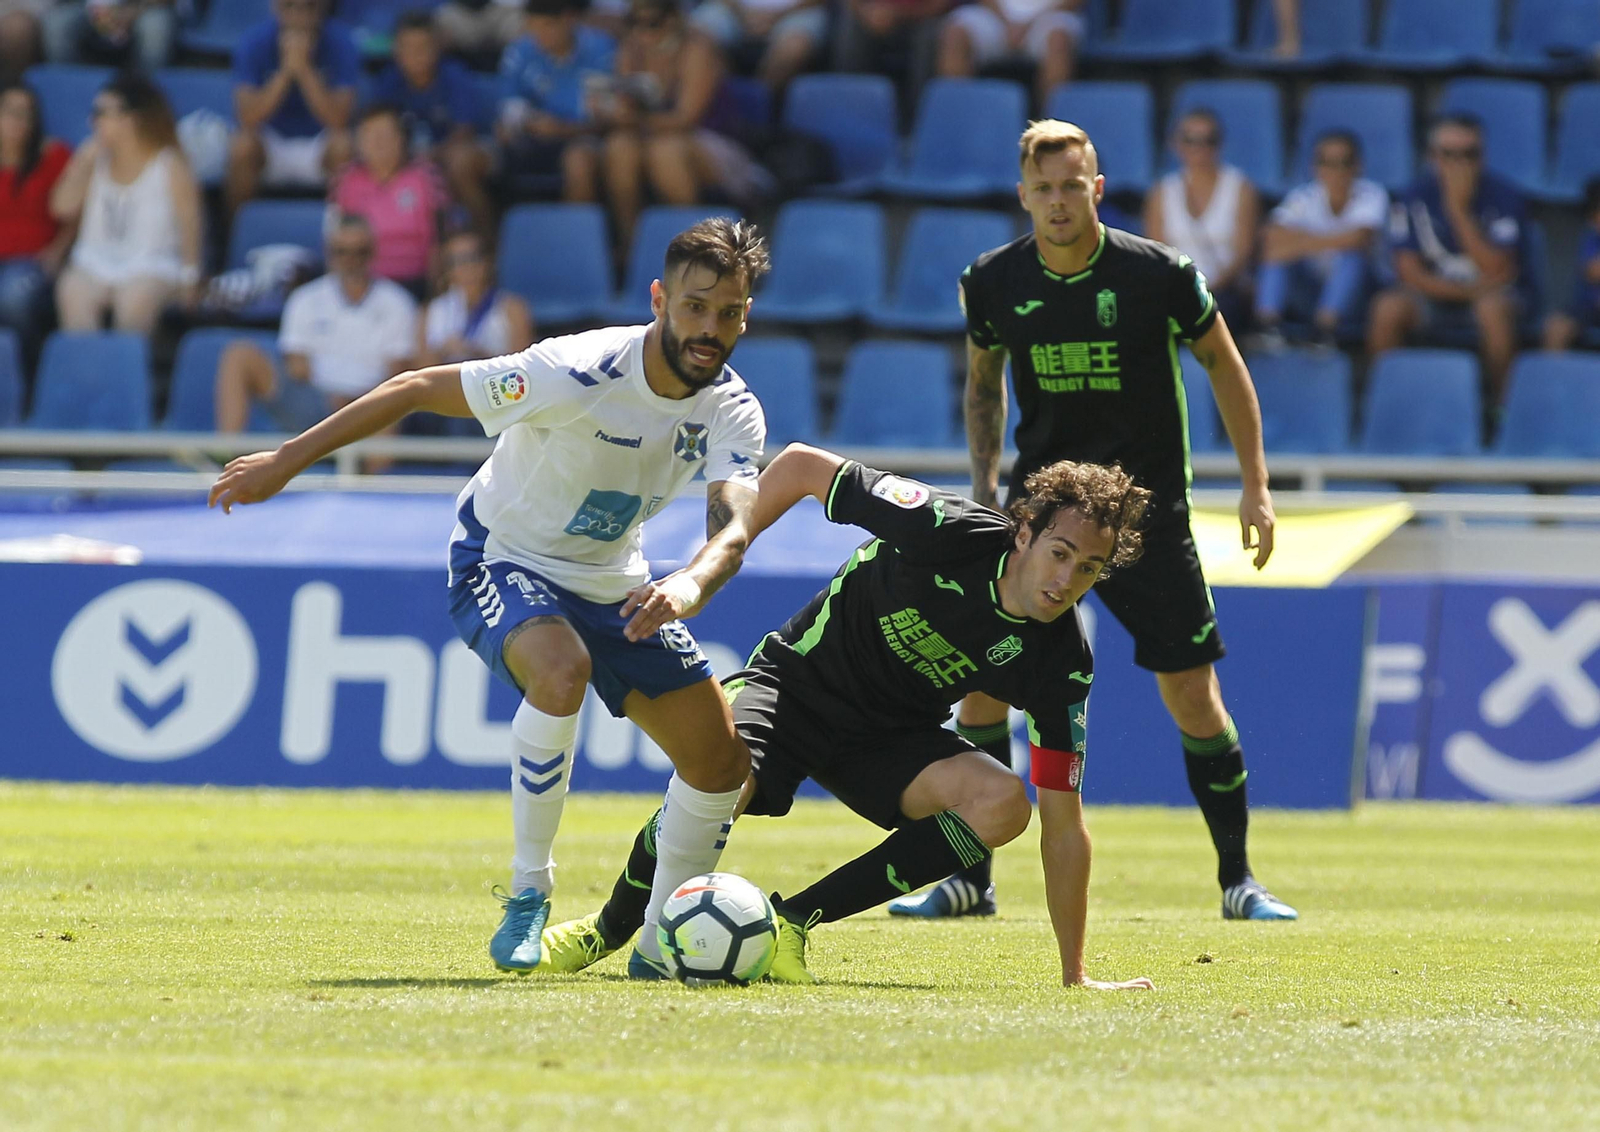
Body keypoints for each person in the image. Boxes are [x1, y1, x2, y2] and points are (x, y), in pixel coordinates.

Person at [208, 219, 772, 979]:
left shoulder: (733, 409)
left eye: (729, 312)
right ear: (660, 300)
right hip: (504, 556)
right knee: (560, 670)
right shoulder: (575, 369)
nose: (711, 329)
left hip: (615, 581)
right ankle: (528, 890)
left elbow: (733, 525)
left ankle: (657, 949)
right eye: (697, 307)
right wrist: (286, 460)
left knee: (720, 762)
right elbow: (413, 389)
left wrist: (691, 582)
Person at [536, 445, 1157, 988]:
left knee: (1003, 805)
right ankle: (609, 928)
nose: (1066, 579)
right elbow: (803, 465)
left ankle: (790, 925)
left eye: (1089, 569)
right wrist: (714, 561)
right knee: (717, 777)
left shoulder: (1062, 661)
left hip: (888, 738)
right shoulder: (944, 527)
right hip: (794, 688)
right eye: (1060, 552)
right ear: (1024, 533)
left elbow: (1063, 824)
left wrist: (1075, 973)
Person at [906, 119, 1296, 924]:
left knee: (1191, 694)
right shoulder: (991, 281)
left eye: (1071, 186)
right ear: (1024, 195)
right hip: (1040, 518)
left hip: (1146, 517)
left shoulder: (1159, 275)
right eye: (1042, 189)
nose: (1057, 202)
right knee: (983, 686)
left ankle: (1239, 879)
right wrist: (984, 488)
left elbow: (1225, 364)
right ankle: (968, 880)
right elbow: (984, 386)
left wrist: (1256, 484)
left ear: (1097, 188)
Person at [1367, 113, 1526, 407]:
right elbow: (1408, 272)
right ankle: (1387, 405)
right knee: (1387, 309)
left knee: (1492, 310)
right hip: (1436, 296)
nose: (1460, 163)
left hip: (1491, 298)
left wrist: (1458, 211)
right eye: (1449, 155)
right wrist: (1468, 291)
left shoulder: (1505, 195)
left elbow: (1498, 267)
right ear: (1433, 157)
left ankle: (1503, 409)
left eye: (1470, 154)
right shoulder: (1412, 196)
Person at [213, 216, 417, 434]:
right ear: (329, 253)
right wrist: (334, 398)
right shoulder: (305, 299)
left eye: (360, 252)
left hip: (371, 404)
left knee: (392, 407)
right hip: (316, 400)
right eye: (342, 252)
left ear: (372, 253)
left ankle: (372, 469)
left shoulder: (398, 302)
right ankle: (227, 457)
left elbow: (397, 370)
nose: (351, 260)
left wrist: (357, 400)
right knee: (239, 356)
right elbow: (297, 365)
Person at [599, 0, 771, 254]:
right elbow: (626, 106)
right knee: (619, 146)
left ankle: (690, 251)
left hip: (712, 144)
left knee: (665, 151)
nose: (641, 31)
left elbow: (686, 118)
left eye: (652, 23)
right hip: (649, 138)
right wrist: (610, 110)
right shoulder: (631, 50)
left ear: (673, 20)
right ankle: (633, 247)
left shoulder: (698, 48)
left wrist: (632, 120)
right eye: (634, 23)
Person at [49, 72, 201, 335]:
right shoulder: (92, 159)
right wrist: (81, 166)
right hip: (93, 264)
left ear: (131, 119)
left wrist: (191, 278)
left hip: (152, 265)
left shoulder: (168, 165)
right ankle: (88, 372)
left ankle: (124, 372)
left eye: (101, 113)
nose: (93, 121)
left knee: (134, 301)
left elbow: (190, 223)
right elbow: (61, 209)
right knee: (72, 293)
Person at [1255, 129, 1388, 348]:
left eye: (1343, 162)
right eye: (1326, 162)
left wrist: (1298, 242)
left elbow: (1360, 238)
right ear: (1315, 167)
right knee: (1275, 259)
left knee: (1352, 256)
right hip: (1310, 291)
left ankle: (1325, 331)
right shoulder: (1304, 197)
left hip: (1361, 297)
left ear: (1358, 166)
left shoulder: (1373, 194)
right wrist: (1336, 238)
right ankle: (1267, 326)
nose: (1334, 171)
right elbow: (1271, 241)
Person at [228, 0, 360, 217]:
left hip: (319, 142)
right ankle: (235, 234)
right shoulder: (253, 41)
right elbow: (248, 117)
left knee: (343, 146)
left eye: (308, 6)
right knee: (241, 146)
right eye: (289, 6)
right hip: (271, 141)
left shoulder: (342, 42)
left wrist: (305, 70)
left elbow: (339, 119)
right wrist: (286, 72)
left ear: (321, 8)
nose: (299, 16)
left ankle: (343, 236)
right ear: (275, 6)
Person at [372, 10, 496, 237]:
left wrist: (429, 157)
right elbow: (375, 129)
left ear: (437, 47)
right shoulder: (388, 82)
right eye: (408, 47)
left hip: (460, 150)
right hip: (406, 157)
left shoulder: (455, 75)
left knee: (460, 162)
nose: (416, 54)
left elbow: (465, 131)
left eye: (423, 47)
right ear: (396, 50)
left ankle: (483, 242)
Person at [1144, 108, 1260, 334]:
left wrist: (1208, 289)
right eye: (1190, 140)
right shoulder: (1161, 192)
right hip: (1175, 289)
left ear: (1220, 144)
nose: (1199, 147)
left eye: (1208, 140)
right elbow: (1156, 253)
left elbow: (1243, 253)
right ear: (1176, 144)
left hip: (1225, 291)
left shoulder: (1241, 189)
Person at [496, 0, 614, 206]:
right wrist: (528, 123)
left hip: (584, 136)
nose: (539, 35)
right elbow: (509, 105)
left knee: (579, 160)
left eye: (547, 26)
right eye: (533, 26)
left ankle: (574, 234)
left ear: (568, 19)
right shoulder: (520, 51)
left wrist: (563, 129)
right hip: (534, 138)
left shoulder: (600, 49)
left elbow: (605, 119)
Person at [330, 103, 452, 295]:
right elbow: (335, 238)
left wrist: (434, 294)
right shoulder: (347, 179)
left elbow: (441, 240)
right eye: (369, 135)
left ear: (401, 139)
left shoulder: (425, 176)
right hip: (362, 286)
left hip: (415, 285)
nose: (378, 142)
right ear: (359, 143)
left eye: (385, 134)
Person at [0, 81, 71, 369]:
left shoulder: (55, 157)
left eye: (25, 113)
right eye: (9, 111)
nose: (17, 121)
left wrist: (58, 250)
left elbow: (74, 215)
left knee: (14, 296)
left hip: (33, 263)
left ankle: (28, 375)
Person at [415, 228, 534, 368]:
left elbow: (523, 369)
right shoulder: (430, 311)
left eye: (473, 258)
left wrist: (478, 355)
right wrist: (442, 352)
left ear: (488, 262)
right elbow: (421, 370)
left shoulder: (513, 309)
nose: (467, 267)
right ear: (447, 270)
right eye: (457, 261)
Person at [936, 0, 1086, 106]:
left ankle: (1052, 127)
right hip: (995, 16)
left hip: (1051, 16)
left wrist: (1028, 24)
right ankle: (960, 116)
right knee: (955, 34)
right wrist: (1006, 22)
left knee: (1059, 40)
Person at [833, 0, 948, 100]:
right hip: (873, 19)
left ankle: (919, 113)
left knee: (929, 38)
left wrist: (895, 15)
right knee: (851, 30)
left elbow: (939, 5)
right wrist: (866, 14)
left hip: (921, 20)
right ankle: (852, 105)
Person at [1543, 177, 1600, 352]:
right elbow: (1593, 271)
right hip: (1589, 308)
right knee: (1556, 327)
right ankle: (1552, 377)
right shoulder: (1591, 239)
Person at [42, 0, 175, 70]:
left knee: (156, 26)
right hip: (88, 8)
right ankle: (70, 86)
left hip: (142, 8)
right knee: (57, 24)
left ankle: (145, 91)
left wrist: (131, 12)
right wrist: (99, 11)